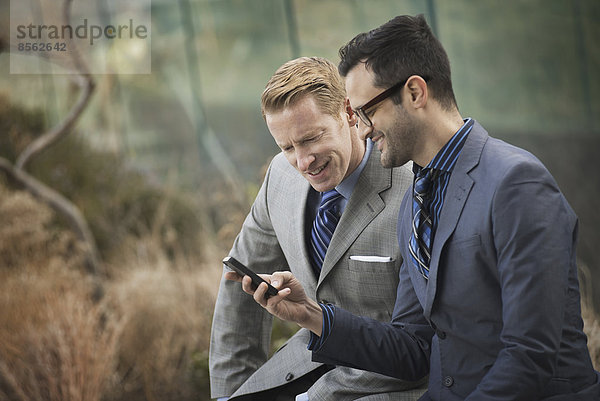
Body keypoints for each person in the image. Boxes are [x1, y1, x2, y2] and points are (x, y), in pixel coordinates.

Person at [234, 15, 600, 401]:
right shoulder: (416, 200)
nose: (361, 128)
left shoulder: (516, 184)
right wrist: (310, 315)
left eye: (366, 112)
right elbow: (414, 349)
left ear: (414, 93)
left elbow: (530, 357)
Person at [210, 56, 425, 401]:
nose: (303, 161)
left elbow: (418, 347)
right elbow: (239, 290)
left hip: (390, 382)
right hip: (306, 364)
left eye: (311, 139)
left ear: (348, 112)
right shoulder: (281, 176)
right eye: (287, 147)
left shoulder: (414, 189)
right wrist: (232, 393)